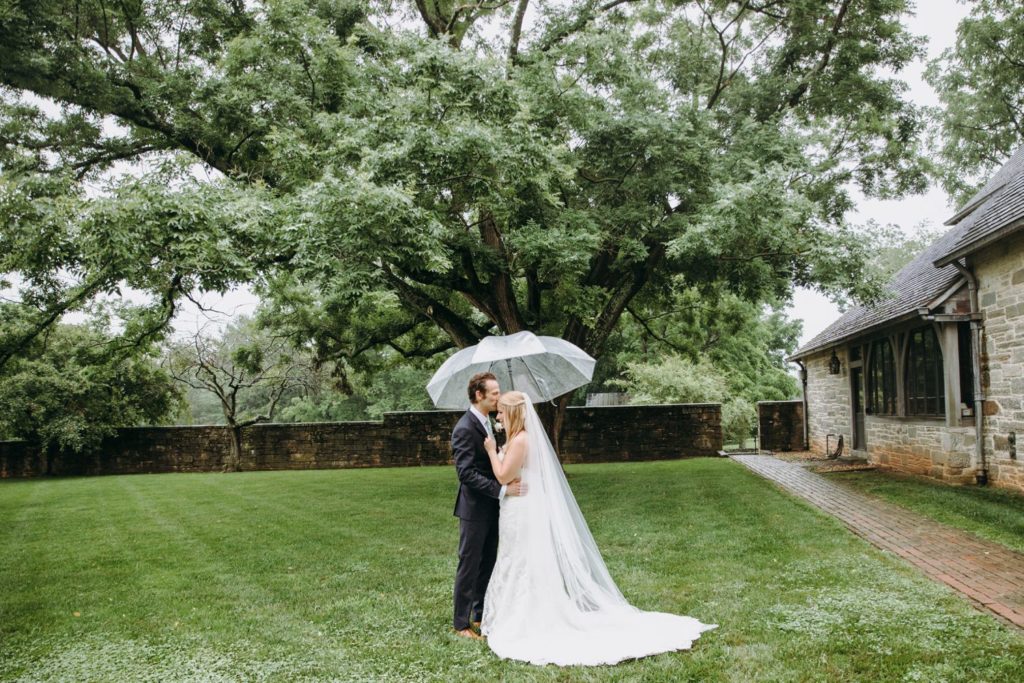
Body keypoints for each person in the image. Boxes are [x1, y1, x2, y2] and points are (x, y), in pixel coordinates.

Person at [479, 391, 716, 665]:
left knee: (523, 559)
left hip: (523, 509)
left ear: (513, 413)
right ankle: (517, 610)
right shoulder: (517, 439)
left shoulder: (520, 440)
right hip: (517, 507)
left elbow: (503, 475)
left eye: (501, 412)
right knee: (518, 558)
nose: (498, 416)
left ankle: (528, 615)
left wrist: (491, 452)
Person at [451, 372, 525, 640]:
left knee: (488, 562)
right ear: (478, 395)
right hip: (474, 510)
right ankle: (461, 623)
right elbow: (466, 474)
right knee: (469, 563)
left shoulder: (489, 423)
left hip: (494, 508)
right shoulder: (464, 428)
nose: (498, 396)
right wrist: (502, 489)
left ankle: (480, 614)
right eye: (494, 393)